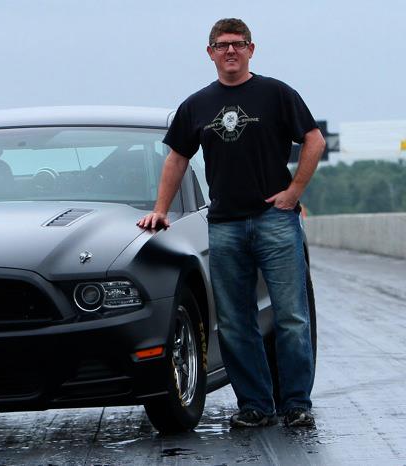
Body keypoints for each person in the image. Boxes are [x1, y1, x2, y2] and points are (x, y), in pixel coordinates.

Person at [137, 18, 325, 428]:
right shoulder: (196, 105)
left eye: (238, 44)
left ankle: (296, 404)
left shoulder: (276, 94)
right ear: (210, 53)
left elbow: (314, 139)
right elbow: (177, 158)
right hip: (224, 226)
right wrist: (161, 209)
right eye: (222, 45)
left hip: (276, 221)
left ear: (251, 49)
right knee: (236, 322)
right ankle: (255, 406)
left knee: (291, 317)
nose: (231, 51)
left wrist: (294, 191)